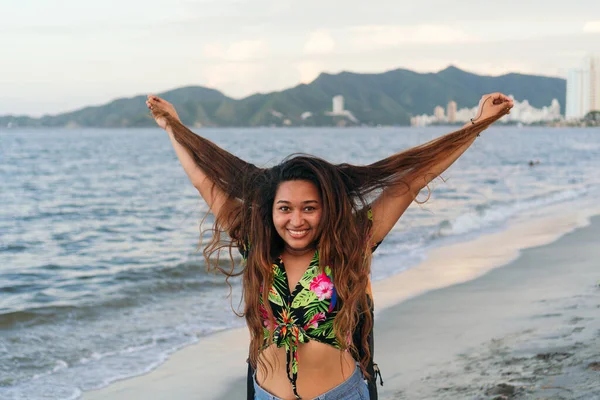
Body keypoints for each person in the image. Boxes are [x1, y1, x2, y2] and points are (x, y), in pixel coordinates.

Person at [146, 93, 513, 400]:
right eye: (285, 209)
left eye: (310, 208)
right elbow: (203, 182)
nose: (296, 220)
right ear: (271, 211)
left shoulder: (350, 243)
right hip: (265, 394)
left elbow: (412, 180)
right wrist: (172, 128)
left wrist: (477, 125)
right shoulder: (257, 244)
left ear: (327, 209)